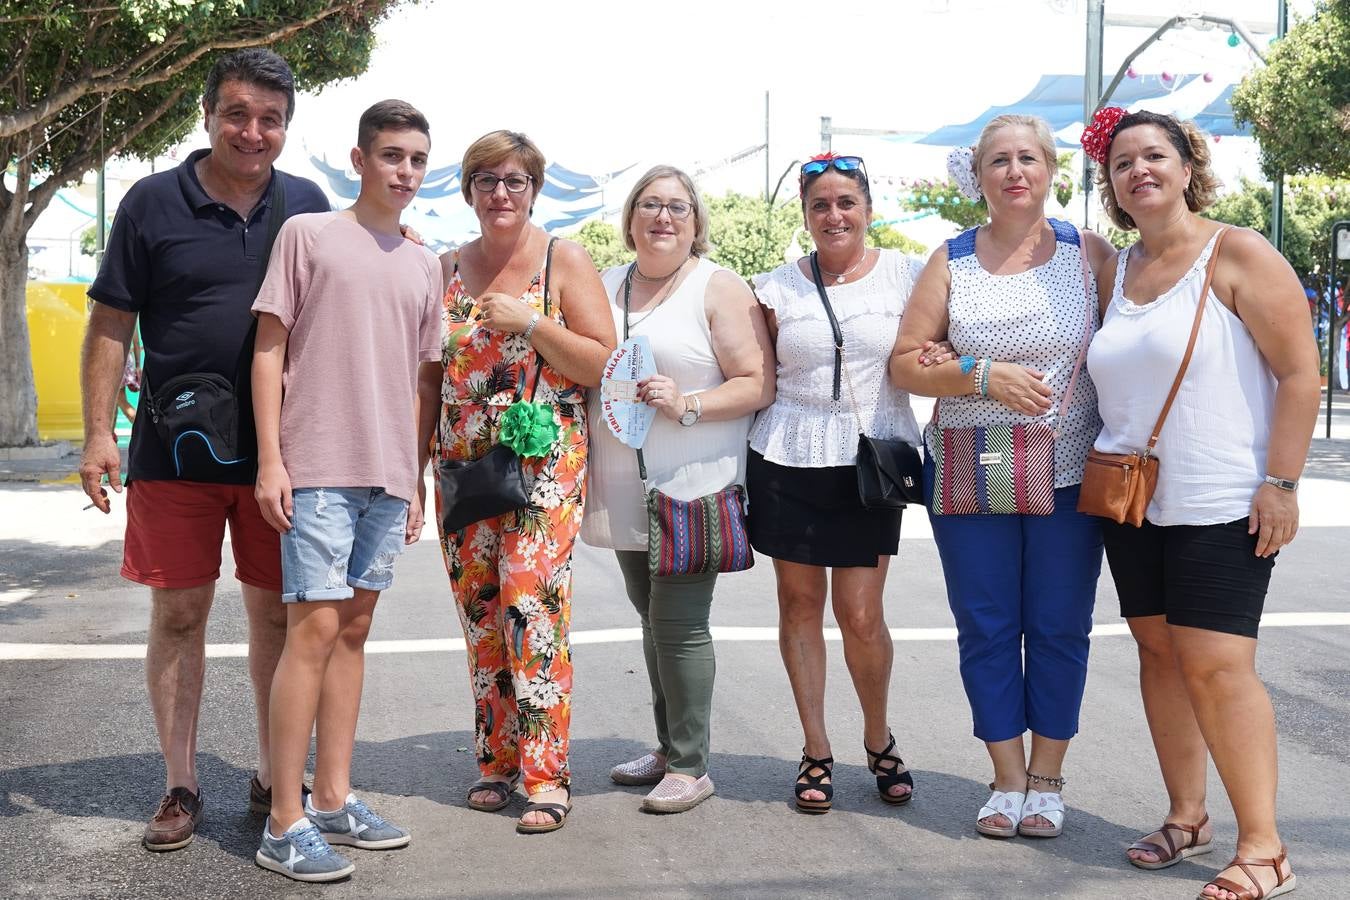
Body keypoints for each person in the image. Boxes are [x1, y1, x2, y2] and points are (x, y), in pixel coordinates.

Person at [79, 48, 331, 851]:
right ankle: (180, 783)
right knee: (180, 614)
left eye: (270, 119)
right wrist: (97, 434)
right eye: (237, 114)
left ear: (286, 127)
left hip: (281, 457)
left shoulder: (309, 206)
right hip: (171, 451)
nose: (253, 132)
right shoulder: (152, 202)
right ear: (208, 115)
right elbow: (111, 321)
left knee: (277, 617)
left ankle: (273, 772)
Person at [1083, 108, 1318, 900]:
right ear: (1112, 185)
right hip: (1133, 499)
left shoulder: (1237, 252)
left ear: (1188, 168)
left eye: (1154, 155)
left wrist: (1282, 483)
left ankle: (1266, 850)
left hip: (1224, 499)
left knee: (1218, 668)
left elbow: (1300, 374)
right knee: (1159, 655)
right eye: (1122, 163)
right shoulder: (1116, 272)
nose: (1138, 171)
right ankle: (1187, 816)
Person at [890, 114, 1116, 839]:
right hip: (970, 467)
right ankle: (1007, 777)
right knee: (986, 624)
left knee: (1059, 625)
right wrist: (982, 374)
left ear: (1051, 170)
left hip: (1069, 469)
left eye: (1027, 158)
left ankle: (1047, 778)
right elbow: (905, 362)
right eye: (999, 161)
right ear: (979, 176)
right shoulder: (949, 260)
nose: (1014, 172)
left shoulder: (1091, 255)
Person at [248, 99, 441, 882]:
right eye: (392, 155)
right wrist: (271, 460)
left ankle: (331, 799)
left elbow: (422, 381)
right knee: (314, 630)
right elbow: (269, 348)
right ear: (359, 160)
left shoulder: (425, 264)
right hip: (318, 466)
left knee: (354, 632)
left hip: (388, 474)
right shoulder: (309, 235)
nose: (405, 171)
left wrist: (415, 477)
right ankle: (283, 822)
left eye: (418, 159)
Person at [430, 130, 616, 834]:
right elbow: (428, 375)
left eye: (514, 180)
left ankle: (545, 776)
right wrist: (419, 464)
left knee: (530, 608)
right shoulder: (445, 267)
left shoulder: (563, 259)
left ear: (534, 189)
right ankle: (496, 762)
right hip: (462, 465)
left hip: (544, 466)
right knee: (481, 614)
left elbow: (603, 364)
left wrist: (532, 322)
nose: (500, 193)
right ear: (468, 190)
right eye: (486, 180)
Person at [581, 166, 775, 813]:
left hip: (694, 482)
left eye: (677, 207)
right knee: (651, 618)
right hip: (621, 482)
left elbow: (756, 383)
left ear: (696, 223)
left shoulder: (717, 286)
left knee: (680, 623)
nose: (663, 217)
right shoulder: (606, 283)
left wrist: (687, 403)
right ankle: (668, 749)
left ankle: (692, 766)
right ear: (630, 217)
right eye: (650, 204)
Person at [746, 152, 922, 813]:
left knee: (861, 614)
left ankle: (878, 738)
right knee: (798, 605)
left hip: (868, 462)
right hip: (785, 455)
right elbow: (756, 375)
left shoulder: (907, 276)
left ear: (868, 209)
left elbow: (931, 347)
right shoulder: (773, 289)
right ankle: (815, 748)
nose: (834, 214)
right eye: (820, 204)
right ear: (806, 215)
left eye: (846, 202)